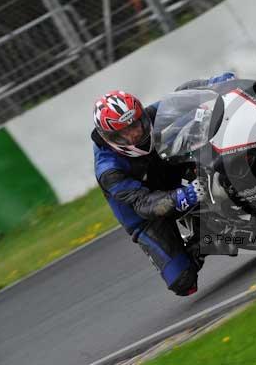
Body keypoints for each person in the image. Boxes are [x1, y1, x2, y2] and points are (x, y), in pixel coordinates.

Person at [91, 72, 236, 296]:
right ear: (109, 137)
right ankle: (200, 241)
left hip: (168, 172)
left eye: (136, 124)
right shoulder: (109, 170)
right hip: (145, 217)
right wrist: (186, 194)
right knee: (184, 283)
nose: (135, 133)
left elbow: (182, 97)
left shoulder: (149, 116)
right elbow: (143, 204)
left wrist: (212, 85)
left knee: (188, 131)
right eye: (124, 133)